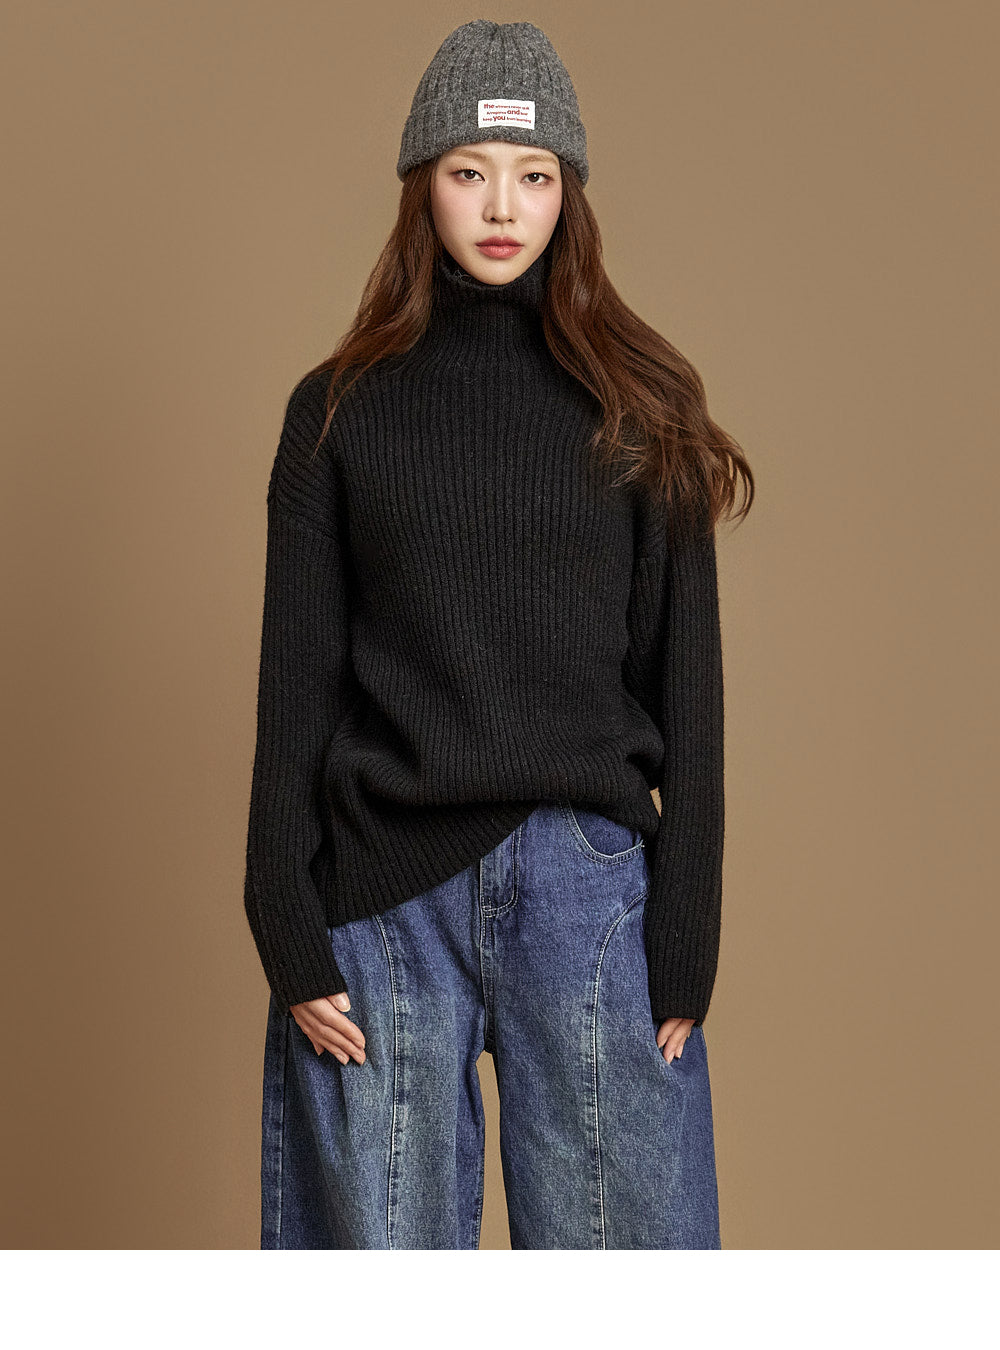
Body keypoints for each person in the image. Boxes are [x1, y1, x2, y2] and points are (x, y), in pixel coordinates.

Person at [243, 19, 753, 1250]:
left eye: (533, 175)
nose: (501, 207)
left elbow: (687, 685)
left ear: (569, 192)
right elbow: (296, 684)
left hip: (588, 892)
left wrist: (687, 930)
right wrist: (282, 918)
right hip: (383, 895)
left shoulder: (641, 404)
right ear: (421, 186)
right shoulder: (339, 413)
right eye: (468, 171)